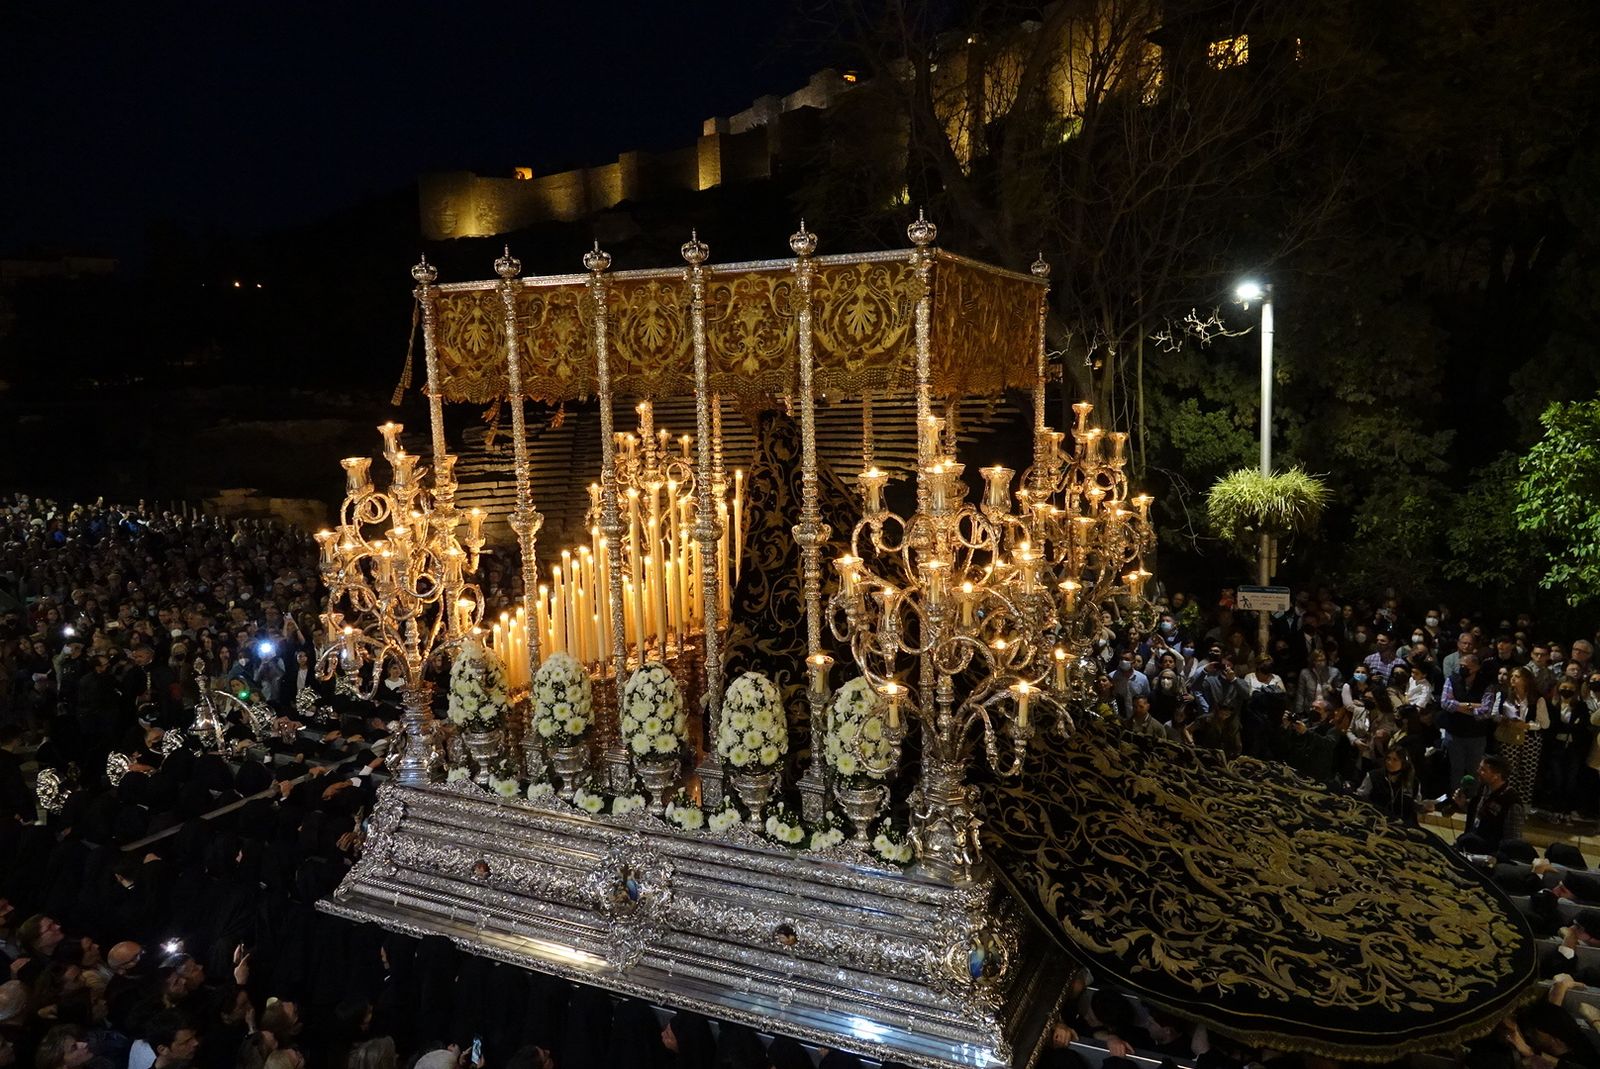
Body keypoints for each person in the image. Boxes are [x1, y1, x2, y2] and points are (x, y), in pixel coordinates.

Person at [1496, 666, 1550, 809]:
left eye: (1517, 676)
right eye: (1512, 675)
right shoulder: (1504, 695)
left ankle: (1523, 805)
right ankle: (1507, 803)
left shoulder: (1537, 699)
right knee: (1509, 771)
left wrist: (1527, 726)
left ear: (1526, 680)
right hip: (1510, 737)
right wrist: (1504, 720)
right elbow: (1494, 714)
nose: (1513, 679)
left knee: (1527, 773)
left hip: (1530, 739)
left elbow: (1544, 724)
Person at [1457, 755, 1520, 855]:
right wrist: (1463, 804)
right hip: (1471, 844)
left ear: (1496, 776)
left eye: (1483, 770)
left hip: (1489, 854)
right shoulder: (1484, 788)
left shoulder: (1511, 801)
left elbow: (1512, 840)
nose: (1478, 771)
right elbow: (1480, 814)